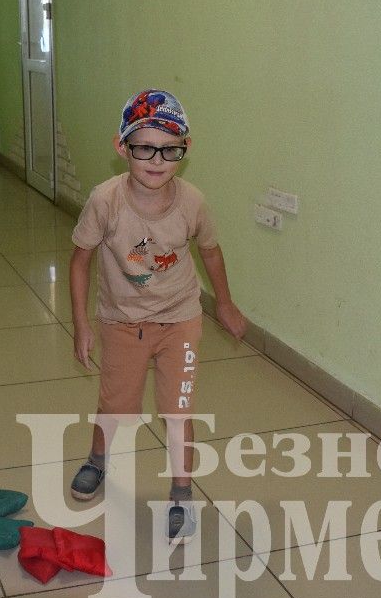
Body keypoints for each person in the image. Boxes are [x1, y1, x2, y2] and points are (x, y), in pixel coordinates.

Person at [67, 89, 247, 543]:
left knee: (178, 409)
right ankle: (97, 460)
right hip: (122, 322)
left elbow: (210, 250)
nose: (157, 160)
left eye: (170, 150)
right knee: (116, 406)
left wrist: (223, 302)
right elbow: (79, 259)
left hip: (181, 319)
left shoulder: (192, 203)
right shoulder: (105, 201)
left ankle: (182, 492)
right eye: (144, 147)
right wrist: (82, 323)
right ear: (122, 147)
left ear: (185, 152)